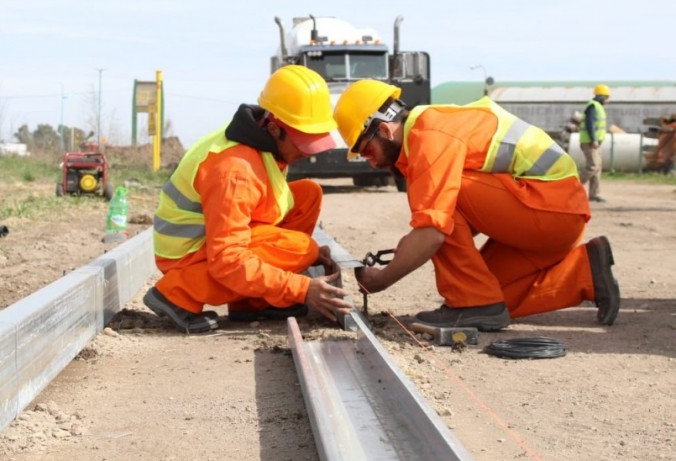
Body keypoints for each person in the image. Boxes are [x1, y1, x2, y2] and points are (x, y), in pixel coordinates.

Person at [332, 79, 620, 330]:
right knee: (491, 296)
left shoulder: (430, 135)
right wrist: (408, 248)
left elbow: (434, 231)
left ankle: (469, 304)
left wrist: (383, 279)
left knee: (441, 211)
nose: (370, 161)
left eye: (366, 150)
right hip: (551, 217)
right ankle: (585, 272)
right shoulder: (431, 129)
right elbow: (457, 225)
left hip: (552, 211)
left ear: (385, 130)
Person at [143, 65, 352, 334]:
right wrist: (299, 287)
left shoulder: (264, 143)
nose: (307, 152)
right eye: (303, 141)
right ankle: (177, 294)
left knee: (308, 195)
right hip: (188, 255)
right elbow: (227, 259)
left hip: (210, 238)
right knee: (302, 249)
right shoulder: (234, 168)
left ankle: (253, 302)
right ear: (275, 128)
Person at [578, 84, 611, 202]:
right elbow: (589, 124)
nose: (608, 100)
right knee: (592, 167)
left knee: (597, 168)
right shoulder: (593, 106)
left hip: (594, 142)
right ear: (601, 96)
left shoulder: (597, 106)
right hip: (590, 142)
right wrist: (594, 139)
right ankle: (573, 187)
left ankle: (594, 194)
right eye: (607, 97)